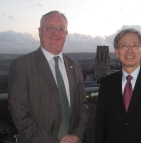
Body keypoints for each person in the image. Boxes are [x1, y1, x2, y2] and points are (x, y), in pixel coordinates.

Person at [8, 10, 89, 143]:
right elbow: (20, 116)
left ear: (66, 33)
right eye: (50, 27)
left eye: (60, 29)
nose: (55, 33)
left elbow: (82, 106)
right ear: (40, 31)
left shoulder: (74, 66)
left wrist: (77, 135)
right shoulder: (22, 65)